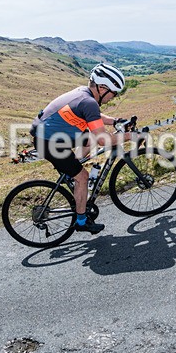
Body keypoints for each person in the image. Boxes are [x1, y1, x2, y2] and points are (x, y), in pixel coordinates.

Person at [30, 63, 131, 233]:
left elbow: (94, 116)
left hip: (48, 135)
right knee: (82, 176)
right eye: (113, 94)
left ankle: (72, 168)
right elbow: (103, 140)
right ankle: (82, 222)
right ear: (102, 88)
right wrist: (131, 137)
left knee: (87, 138)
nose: (113, 98)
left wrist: (115, 121)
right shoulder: (89, 102)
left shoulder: (83, 94)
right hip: (49, 142)